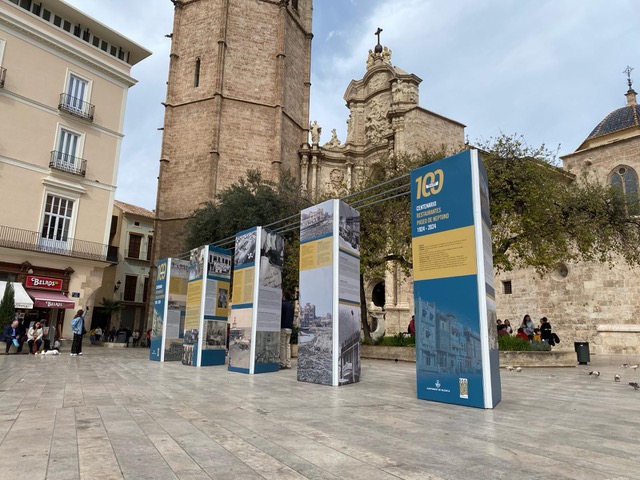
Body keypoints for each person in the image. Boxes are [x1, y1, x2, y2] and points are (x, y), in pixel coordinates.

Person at [279, 292, 294, 370]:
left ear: (284, 296)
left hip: (283, 327)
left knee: (282, 345)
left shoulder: (282, 304)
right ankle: (288, 364)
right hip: (290, 327)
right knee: (287, 346)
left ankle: (282, 363)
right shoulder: (291, 305)